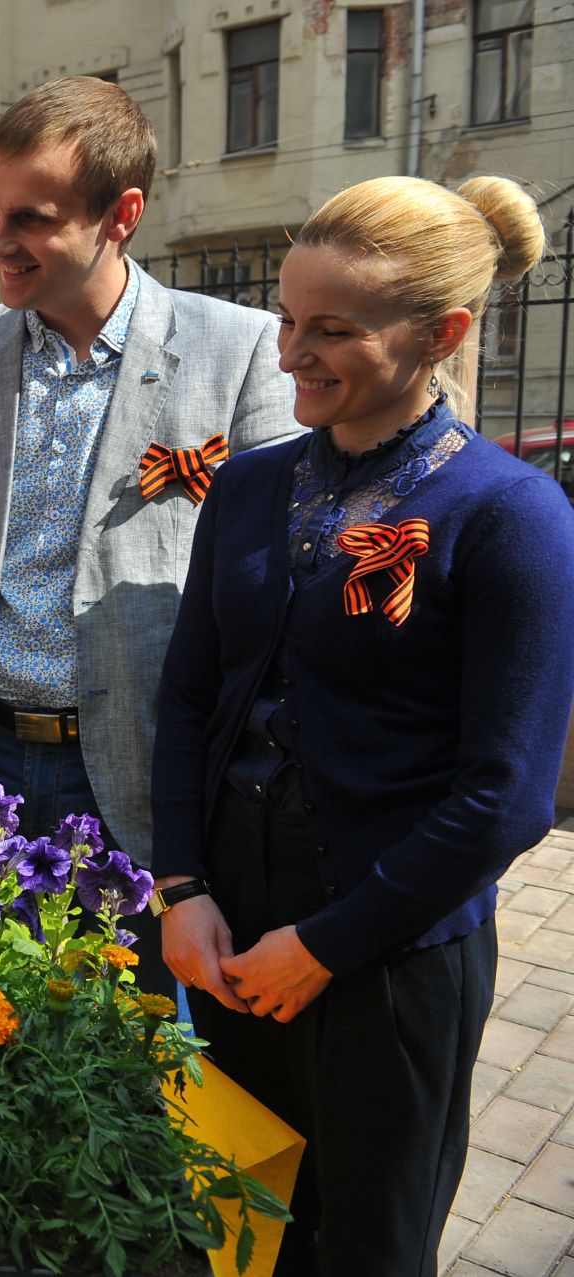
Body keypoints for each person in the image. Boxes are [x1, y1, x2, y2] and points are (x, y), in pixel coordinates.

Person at [152, 175, 574, 1274]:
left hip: (390, 949)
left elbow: (508, 795)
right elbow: (191, 693)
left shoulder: (510, 515)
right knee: (237, 1227)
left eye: (332, 329)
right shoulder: (246, 489)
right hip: (236, 928)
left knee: (368, 1247)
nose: (291, 351)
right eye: (289, 320)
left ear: (442, 333)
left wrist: (325, 946)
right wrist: (184, 887)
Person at [0, 77, 297, 994]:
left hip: (140, 774)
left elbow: (277, 602)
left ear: (121, 213)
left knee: (125, 1066)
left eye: (33, 218)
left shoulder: (242, 350)